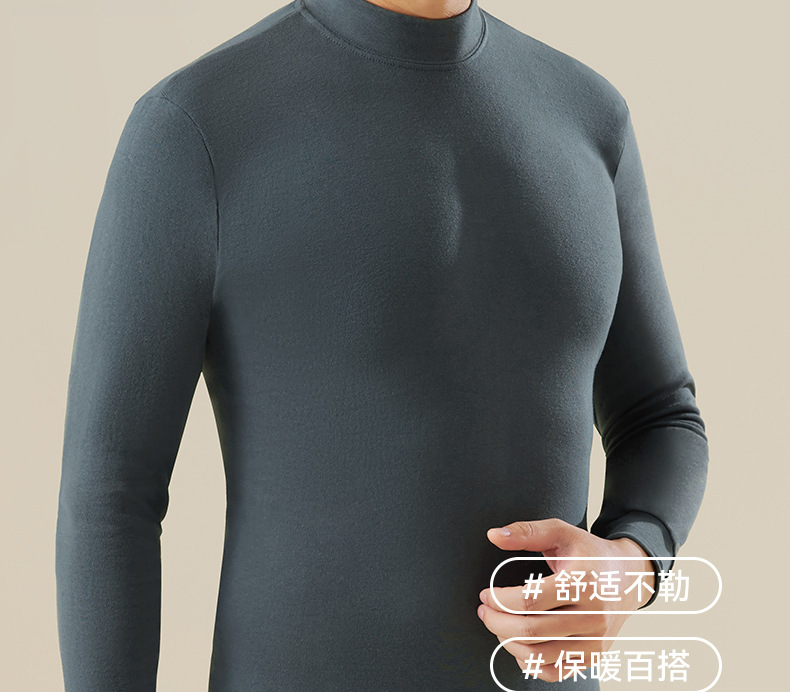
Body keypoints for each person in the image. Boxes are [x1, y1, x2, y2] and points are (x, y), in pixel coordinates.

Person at [55, 0, 709, 689]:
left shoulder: (589, 116)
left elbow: (660, 414)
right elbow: (110, 496)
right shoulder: (197, 126)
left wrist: (632, 563)